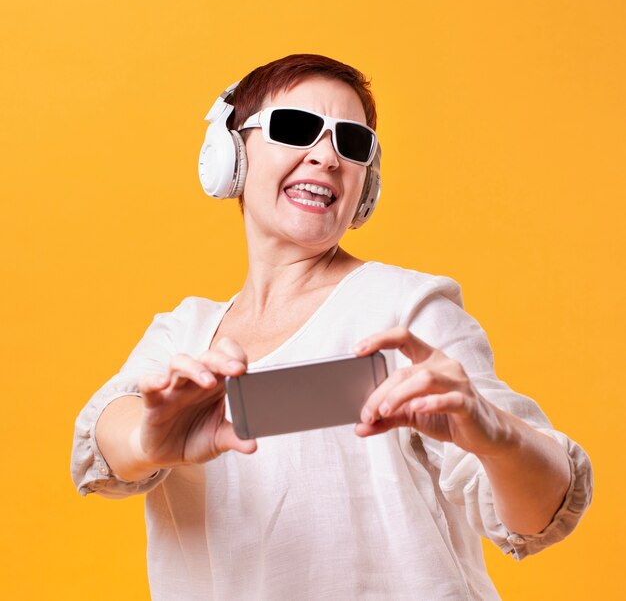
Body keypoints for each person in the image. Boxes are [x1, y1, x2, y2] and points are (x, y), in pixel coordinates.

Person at [71, 54, 592, 600]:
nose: (326, 156)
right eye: (295, 129)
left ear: (366, 183)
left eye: (352, 142)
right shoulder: (185, 333)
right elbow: (108, 435)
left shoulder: (405, 310)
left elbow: (537, 515)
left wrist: (497, 433)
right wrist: (149, 439)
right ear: (230, 156)